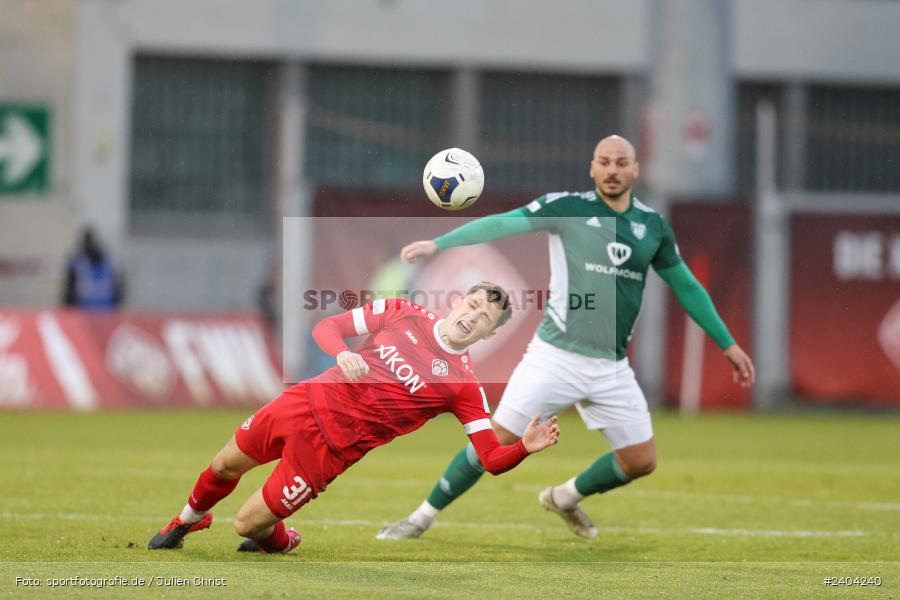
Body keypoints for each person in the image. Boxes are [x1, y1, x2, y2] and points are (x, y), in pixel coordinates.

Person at [376, 135, 755, 541]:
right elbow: (504, 222)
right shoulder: (568, 208)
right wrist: (441, 243)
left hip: (610, 366)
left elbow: (687, 287)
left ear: (635, 170)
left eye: (621, 163)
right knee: (497, 440)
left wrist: (727, 343)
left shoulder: (653, 228)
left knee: (640, 460)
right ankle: (420, 518)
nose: (612, 170)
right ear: (592, 168)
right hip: (553, 357)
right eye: (604, 162)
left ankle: (565, 496)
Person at [148, 282, 560, 553]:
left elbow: (489, 458)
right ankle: (186, 521)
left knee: (247, 525)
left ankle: (282, 540)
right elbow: (329, 326)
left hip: (329, 451)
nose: (472, 316)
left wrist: (525, 445)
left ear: (489, 334)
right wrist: (343, 353)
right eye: (472, 304)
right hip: (303, 402)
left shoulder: (464, 385)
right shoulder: (402, 312)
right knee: (224, 464)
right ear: (456, 302)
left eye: (484, 318)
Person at [62, 227, 124, 310]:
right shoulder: (76, 262)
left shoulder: (108, 261)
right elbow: (69, 288)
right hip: (82, 309)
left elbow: (118, 285)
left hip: (105, 309)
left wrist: (117, 303)